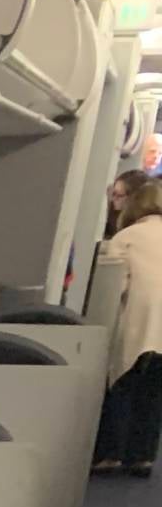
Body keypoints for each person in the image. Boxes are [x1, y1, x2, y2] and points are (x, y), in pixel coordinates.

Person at [92, 178, 162, 477]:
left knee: (122, 386)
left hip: (136, 322)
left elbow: (114, 286)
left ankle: (111, 454)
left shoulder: (126, 237)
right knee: (154, 394)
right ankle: (143, 456)